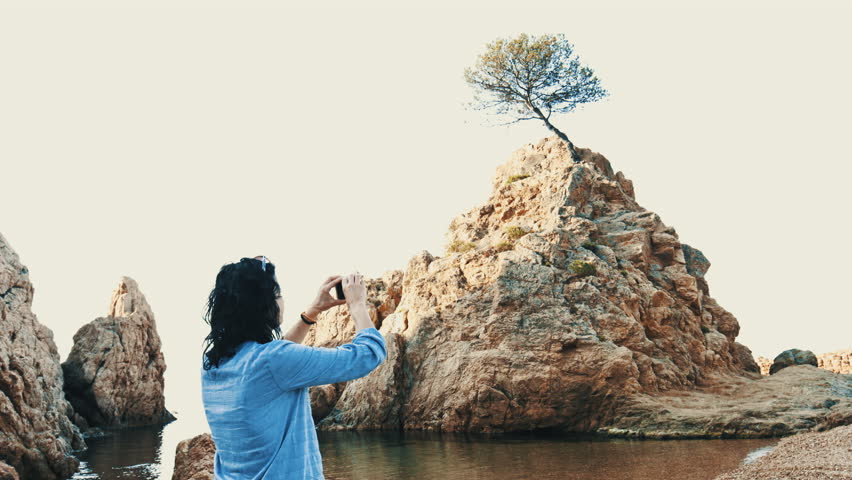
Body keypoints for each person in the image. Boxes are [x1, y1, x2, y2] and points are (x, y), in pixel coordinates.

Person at [200, 255, 387, 479]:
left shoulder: (212, 363)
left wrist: (313, 311)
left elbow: (273, 363)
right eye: (277, 295)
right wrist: (357, 305)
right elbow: (368, 354)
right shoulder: (272, 361)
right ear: (263, 305)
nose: (281, 300)